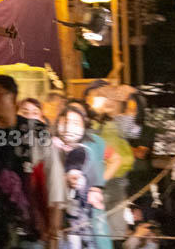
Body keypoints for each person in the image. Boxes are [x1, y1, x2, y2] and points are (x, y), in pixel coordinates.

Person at [0, 74, 65, 249]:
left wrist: (54, 225)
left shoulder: (35, 132)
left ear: (13, 97)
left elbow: (55, 178)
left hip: (25, 224)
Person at [54, 103, 111, 249]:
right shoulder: (51, 147)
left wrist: (73, 177)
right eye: (65, 122)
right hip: (58, 225)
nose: (69, 127)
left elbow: (75, 167)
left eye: (75, 123)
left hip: (83, 224)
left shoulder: (83, 150)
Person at [84, 82, 134, 244]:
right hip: (98, 182)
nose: (102, 101)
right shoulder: (86, 122)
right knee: (97, 228)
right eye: (96, 96)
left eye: (102, 96)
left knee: (115, 230)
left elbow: (131, 128)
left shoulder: (118, 122)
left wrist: (122, 107)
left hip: (117, 182)